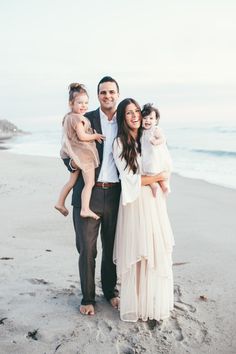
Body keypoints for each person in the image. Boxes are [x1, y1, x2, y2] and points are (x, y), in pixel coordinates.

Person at [113, 98, 174, 322]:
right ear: (123, 117)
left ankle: (152, 302)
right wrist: (157, 178)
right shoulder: (119, 143)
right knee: (138, 252)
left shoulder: (146, 136)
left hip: (153, 201)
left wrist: (160, 176)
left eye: (137, 111)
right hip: (135, 203)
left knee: (154, 252)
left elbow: (163, 160)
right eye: (129, 113)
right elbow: (130, 179)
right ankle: (136, 303)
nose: (135, 116)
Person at [64, 76, 121, 315]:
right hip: (89, 194)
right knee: (87, 249)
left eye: (111, 92)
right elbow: (68, 146)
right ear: (98, 95)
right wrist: (71, 165)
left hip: (116, 193)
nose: (107, 96)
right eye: (103, 92)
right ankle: (88, 298)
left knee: (111, 248)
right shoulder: (86, 118)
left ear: (117, 94)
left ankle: (110, 292)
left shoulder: (125, 120)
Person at [55, 83, 105, 220]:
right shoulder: (78, 119)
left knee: (71, 182)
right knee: (89, 183)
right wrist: (95, 136)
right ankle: (85, 208)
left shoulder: (68, 117)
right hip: (83, 156)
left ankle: (60, 202)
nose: (84, 106)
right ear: (71, 103)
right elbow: (82, 137)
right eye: (80, 103)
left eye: (86, 103)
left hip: (75, 154)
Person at [141, 103, 173, 197]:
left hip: (154, 155)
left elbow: (163, 139)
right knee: (146, 172)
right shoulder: (142, 131)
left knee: (155, 170)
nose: (148, 120)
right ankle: (153, 185)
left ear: (156, 121)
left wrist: (155, 142)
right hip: (146, 154)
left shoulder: (155, 130)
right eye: (145, 118)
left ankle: (164, 187)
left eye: (151, 118)